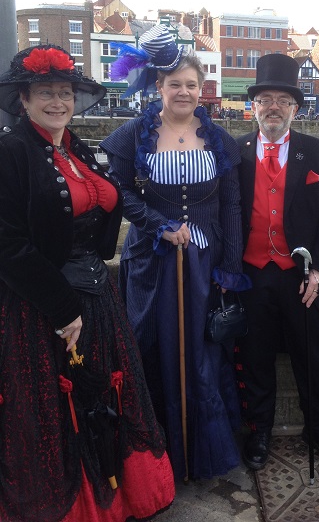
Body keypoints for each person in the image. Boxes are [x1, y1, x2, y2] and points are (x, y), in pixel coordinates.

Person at [0, 45, 175, 522]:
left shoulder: (73, 146)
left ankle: (120, 497)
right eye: (45, 93)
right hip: (45, 309)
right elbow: (9, 246)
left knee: (105, 397)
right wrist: (62, 309)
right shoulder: (11, 151)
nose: (57, 101)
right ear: (23, 99)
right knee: (59, 411)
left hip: (97, 298)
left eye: (64, 92)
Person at [100, 24, 250, 481]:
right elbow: (118, 193)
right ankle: (157, 459)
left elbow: (231, 205)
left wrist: (229, 266)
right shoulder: (132, 136)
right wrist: (159, 225)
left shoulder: (219, 139)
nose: (184, 92)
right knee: (153, 351)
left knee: (203, 356)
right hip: (152, 263)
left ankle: (201, 456)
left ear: (202, 89)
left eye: (192, 85)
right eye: (175, 85)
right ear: (158, 87)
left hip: (204, 263)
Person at [235, 53, 319, 471]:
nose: (273, 107)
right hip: (251, 276)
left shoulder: (317, 153)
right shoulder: (235, 152)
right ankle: (259, 429)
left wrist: (318, 272)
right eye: (265, 99)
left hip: (302, 278)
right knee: (255, 356)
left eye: (283, 100)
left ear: (295, 109)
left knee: (311, 357)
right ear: (253, 107)